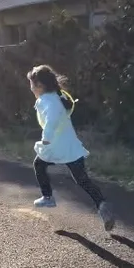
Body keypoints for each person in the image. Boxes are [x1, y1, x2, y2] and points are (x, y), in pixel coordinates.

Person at [27, 65, 116, 231]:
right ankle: (102, 205)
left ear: (39, 85)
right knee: (82, 180)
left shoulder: (50, 101)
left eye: (31, 84)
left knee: (39, 165)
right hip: (70, 146)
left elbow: (51, 121)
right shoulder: (55, 97)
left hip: (55, 146)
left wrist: (46, 139)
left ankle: (48, 197)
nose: (30, 87)